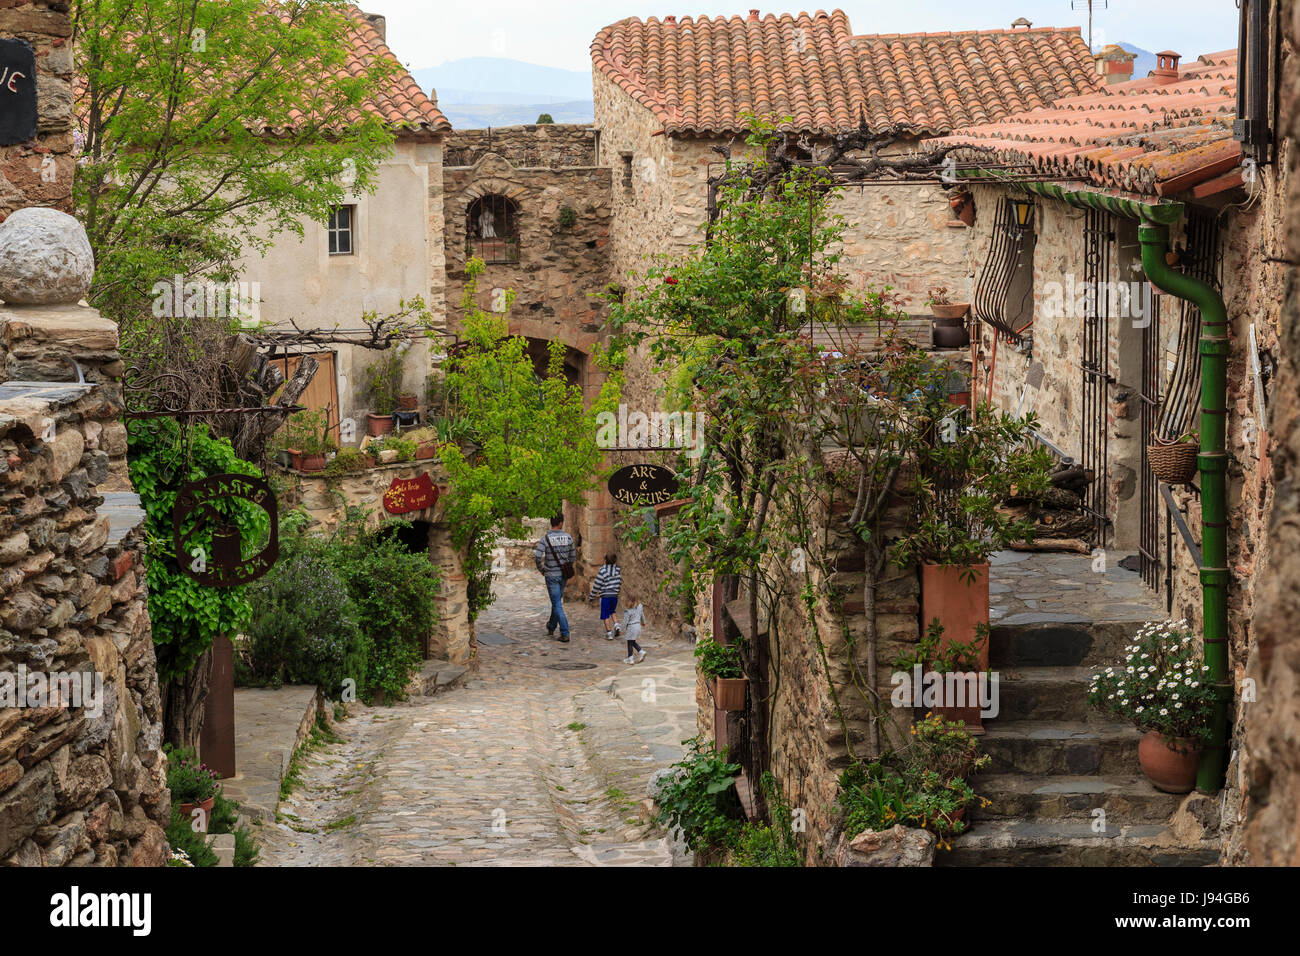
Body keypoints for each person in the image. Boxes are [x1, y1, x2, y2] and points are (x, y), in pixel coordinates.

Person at [534, 514, 575, 642]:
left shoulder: (545, 539)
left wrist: (542, 570)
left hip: (551, 575)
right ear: (561, 523)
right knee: (556, 601)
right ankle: (551, 626)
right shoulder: (568, 538)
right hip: (563, 575)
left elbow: (537, 557)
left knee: (556, 603)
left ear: (551, 523)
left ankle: (565, 632)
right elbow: (572, 557)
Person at [587, 552, 623, 640]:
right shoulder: (618, 570)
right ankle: (616, 625)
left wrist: (592, 596)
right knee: (612, 611)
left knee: (605, 614)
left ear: (605, 560)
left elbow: (597, 584)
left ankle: (609, 632)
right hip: (614, 595)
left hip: (605, 596)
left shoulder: (602, 570)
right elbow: (619, 581)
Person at [620, 592, 647, 665]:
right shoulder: (640, 606)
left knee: (629, 643)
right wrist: (643, 622)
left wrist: (620, 630)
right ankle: (641, 652)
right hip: (638, 626)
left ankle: (630, 659)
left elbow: (625, 622)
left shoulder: (628, 611)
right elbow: (642, 615)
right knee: (632, 642)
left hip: (631, 628)